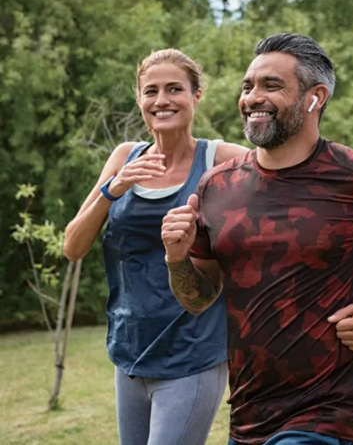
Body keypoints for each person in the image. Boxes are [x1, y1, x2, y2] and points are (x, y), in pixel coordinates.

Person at [160, 33, 353, 445]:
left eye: (271, 86)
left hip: (331, 412)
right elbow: (198, 298)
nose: (252, 97)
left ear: (314, 97)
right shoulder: (216, 186)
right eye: (248, 86)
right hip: (249, 414)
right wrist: (177, 258)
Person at [63, 49, 250, 445]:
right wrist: (112, 190)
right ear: (140, 100)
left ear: (196, 96)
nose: (161, 100)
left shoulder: (223, 160)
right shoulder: (122, 158)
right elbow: (72, 246)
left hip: (193, 354)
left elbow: (288, 185)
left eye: (174, 89)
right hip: (129, 352)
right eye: (151, 91)